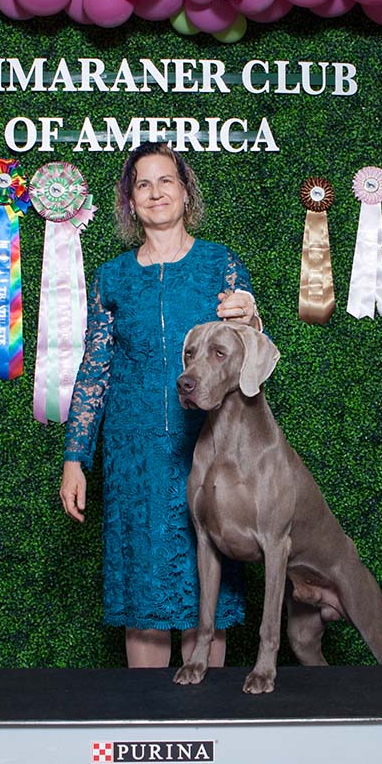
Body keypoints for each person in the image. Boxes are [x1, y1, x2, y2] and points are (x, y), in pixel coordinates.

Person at [60, 141, 262, 668]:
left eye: (166, 180)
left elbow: (250, 352)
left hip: (210, 451)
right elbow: (95, 370)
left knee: (207, 595)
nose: (156, 193)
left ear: (185, 191)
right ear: (130, 201)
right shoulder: (113, 277)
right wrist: (75, 458)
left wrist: (252, 318)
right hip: (135, 457)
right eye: (143, 184)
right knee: (144, 598)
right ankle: (143, 712)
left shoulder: (221, 264)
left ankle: (207, 711)